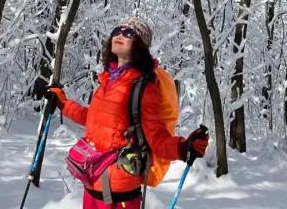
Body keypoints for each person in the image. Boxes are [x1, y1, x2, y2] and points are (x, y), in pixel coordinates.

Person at [46, 17, 209, 209]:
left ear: (140, 44)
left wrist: (183, 147)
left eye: (129, 33)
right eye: (117, 30)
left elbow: (157, 138)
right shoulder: (108, 81)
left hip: (118, 195)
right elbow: (92, 117)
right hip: (92, 185)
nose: (120, 35)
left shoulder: (143, 87)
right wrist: (62, 102)